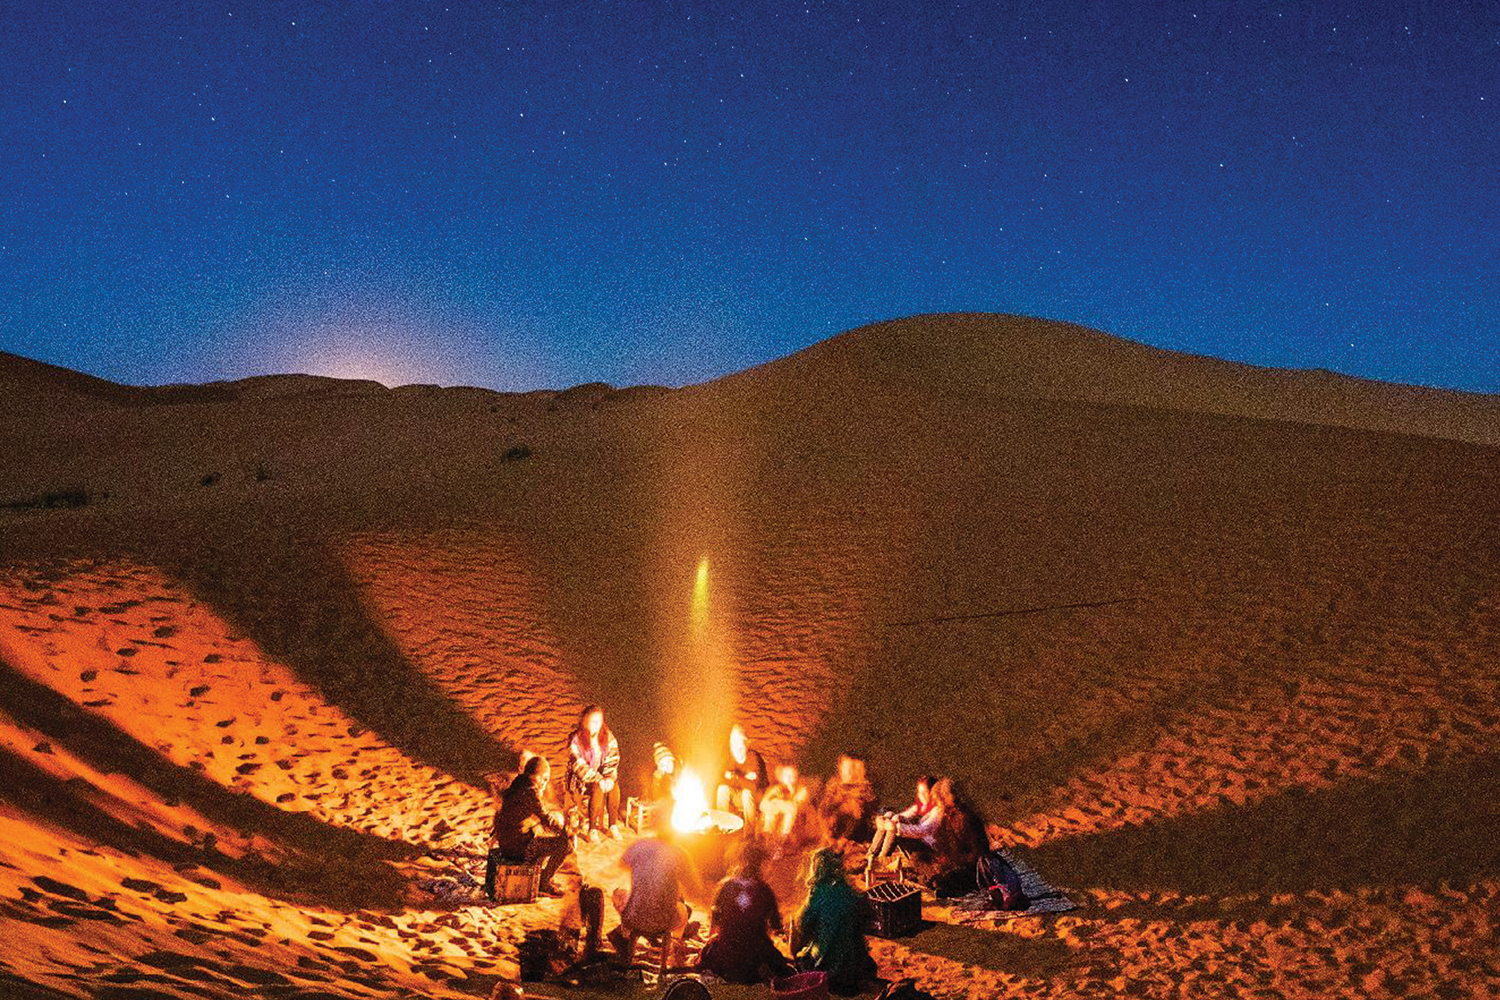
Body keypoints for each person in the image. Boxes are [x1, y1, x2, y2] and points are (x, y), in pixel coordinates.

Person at [609, 808, 704, 966]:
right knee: (683, 910)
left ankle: (626, 943)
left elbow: (622, 864)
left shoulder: (640, 846)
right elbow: (695, 889)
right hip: (662, 919)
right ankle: (673, 949)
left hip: (633, 916)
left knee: (623, 894)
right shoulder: (679, 853)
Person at [697, 839, 794, 983]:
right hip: (755, 954)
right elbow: (776, 926)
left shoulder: (726, 886)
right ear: (762, 864)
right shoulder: (764, 890)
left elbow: (715, 921)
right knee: (783, 966)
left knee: (708, 953)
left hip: (726, 953)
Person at [792, 849, 877, 995]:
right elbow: (868, 918)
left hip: (826, 970)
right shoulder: (851, 892)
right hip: (856, 968)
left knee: (801, 958)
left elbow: (803, 926)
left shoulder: (817, 894)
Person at [487, 755, 571, 899]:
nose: (545, 783)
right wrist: (566, 831)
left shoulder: (519, 782)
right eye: (545, 779)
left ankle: (541, 876)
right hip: (518, 849)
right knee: (565, 845)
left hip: (507, 843)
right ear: (537, 777)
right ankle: (544, 883)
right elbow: (546, 818)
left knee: (540, 833)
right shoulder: (531, 792)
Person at [921, 778, 988, 897]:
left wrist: (949, 863)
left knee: (942, 881)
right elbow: (947, 846)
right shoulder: (949, 817)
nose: (936, 805)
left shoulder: (965, 818)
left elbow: (977, 853)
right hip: (958, 863)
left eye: (938, 801)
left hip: (973, 869)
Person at [566, 705, 623, 841]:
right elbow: (578, 765)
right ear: (585, 721)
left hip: (601, 775)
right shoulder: (576, 739)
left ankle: (612, 825)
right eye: (593, 721)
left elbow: (613, 757)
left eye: (599, 721)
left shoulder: (607, 736)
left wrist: (609, 777)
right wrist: (598, 778)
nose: (596, 725)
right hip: (581, 780)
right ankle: (592, 829)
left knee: (614, 785)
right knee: (598, 787)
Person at [868, 774, 940, 863]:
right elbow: (900, 816)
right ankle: (871, 855)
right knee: (891, 815)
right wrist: (883, 819)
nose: (921, 796)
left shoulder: (938, 810)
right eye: (919, 792)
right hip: (919, 842)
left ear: (932, 793)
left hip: (927, 850)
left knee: (895, 824)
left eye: (925, 792)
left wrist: (897, 828)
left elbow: (923, 831)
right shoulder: (921, 807)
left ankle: (882, 858)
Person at [817, 755, 877, 844]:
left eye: (853, 768)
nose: (850, 771)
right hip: (835, 827)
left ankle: (844, 842)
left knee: (856, 809)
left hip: (858, 831)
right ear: (840, 768)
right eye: (846, 767)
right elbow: (824, 809)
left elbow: (863, 812)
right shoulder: (834, 786)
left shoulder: (864, 787)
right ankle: (830, 840)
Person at [716, 724, 768, 824]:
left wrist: (734, 776)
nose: (737, 750)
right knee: (722, 789)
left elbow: (752, 787)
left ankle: (749, 834)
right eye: (734, 746)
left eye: (740, 746)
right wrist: (744, 778)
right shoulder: (729, 758)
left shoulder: (753, 758)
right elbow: (720, 778)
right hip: (740, 796)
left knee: (746, 793)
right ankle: (724, 825)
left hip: (757, 798)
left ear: (747, 744)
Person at [759, 763, 813, 841]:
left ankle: (783, 838)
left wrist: (783, 803)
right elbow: (762, 805)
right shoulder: (776, 789)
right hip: (773, 825)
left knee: (790, 807)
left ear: (796, 777)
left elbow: (799, 806)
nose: (789, 778)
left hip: (794, 828)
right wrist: (774, 803)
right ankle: (768, 839)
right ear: (782, 778)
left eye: (791, 775)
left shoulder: (801, 790)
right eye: (786, 775)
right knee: (770, 809)